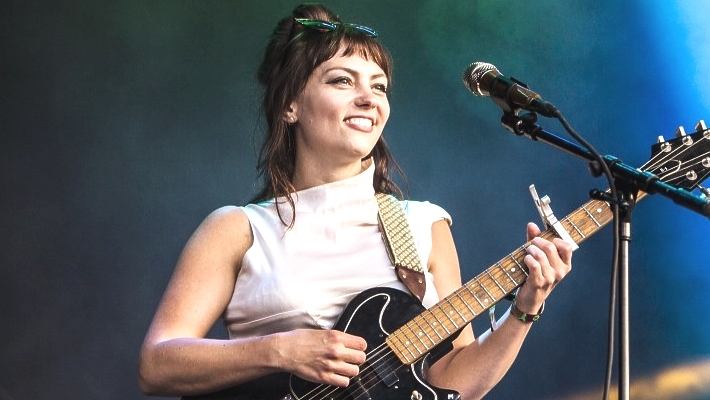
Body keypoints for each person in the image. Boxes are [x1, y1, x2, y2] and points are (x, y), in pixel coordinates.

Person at [138, 3, 573, 400]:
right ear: (290, 105)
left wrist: (525, 309)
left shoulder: (422, 225)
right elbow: (157, 365)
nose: (369, 98)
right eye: (342, 80)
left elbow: (452, 382)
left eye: (379, 86)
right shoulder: (238, 229)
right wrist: (280, 350)